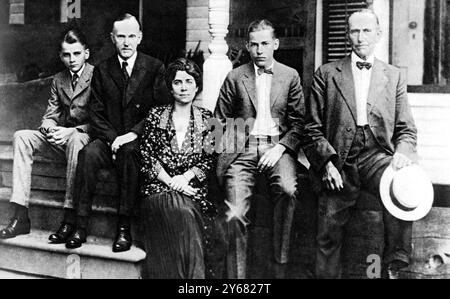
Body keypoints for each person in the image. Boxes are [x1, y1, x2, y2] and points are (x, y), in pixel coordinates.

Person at [303, 9, 418, 278]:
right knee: (328, 226)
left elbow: (407, 129)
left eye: (367, 30)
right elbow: (311, 129)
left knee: (402, 184)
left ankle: (394, 263)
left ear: (378, 34)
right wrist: (326, 164)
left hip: (377, 155)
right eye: (354, 30)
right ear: (347, 35)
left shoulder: (394, 75)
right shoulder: (327, 74)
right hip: (339, 157)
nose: (360, 36)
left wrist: (402, 151)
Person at [65, 13, 168, 251]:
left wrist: (132, 134)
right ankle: (81, 225)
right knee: (88, 153)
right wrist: (114, 139)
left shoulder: (154, 67)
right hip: (109, 137)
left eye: (132, 36)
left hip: (137, 138)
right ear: (112, 38)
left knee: (130, 154)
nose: (126, 42)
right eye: (121, 36)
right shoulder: (102, 70)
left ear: (140, 38)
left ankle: (124, 228)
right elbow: (96, 113)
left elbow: (160, 110)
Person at [214, 19, 305, 279]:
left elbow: (299, 123)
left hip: (277, 147)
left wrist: (280, 149)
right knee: (234, 213)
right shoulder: (235, 76)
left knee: (288, 190)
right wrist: (227, 154)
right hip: (242, 150)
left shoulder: (290, 76)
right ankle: (237, 279)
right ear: (247, 46)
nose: (259, 50)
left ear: (275, 44)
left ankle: (280, 265)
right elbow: (218, 121)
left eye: (265, 43)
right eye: (254, 45)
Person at [0, 28, 93, 242]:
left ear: (86, 53)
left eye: (77, 53)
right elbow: (51, 114)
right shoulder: (59, 79)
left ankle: (69, 216)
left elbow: (101, 121)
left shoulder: (97, 76)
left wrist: (71, 131)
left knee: (76, 140)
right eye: (67, 55)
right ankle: (20, 215)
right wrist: (48, 128)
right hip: (61, 139)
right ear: (61, 56)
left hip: (84, 139)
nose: (72, 59)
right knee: (22, 136)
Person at [139, 58, 216, 278]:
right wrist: (171, 182)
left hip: (192, 190)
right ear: (170, 87)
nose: (183, 87)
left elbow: (211, 159)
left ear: (197, 85)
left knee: (185, 212)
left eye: (189, 81)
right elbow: (146, 156)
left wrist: (184, 178)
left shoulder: (210, 118)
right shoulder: (155, 115)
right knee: (181, 212)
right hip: (157, 189)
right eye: (177, 82)